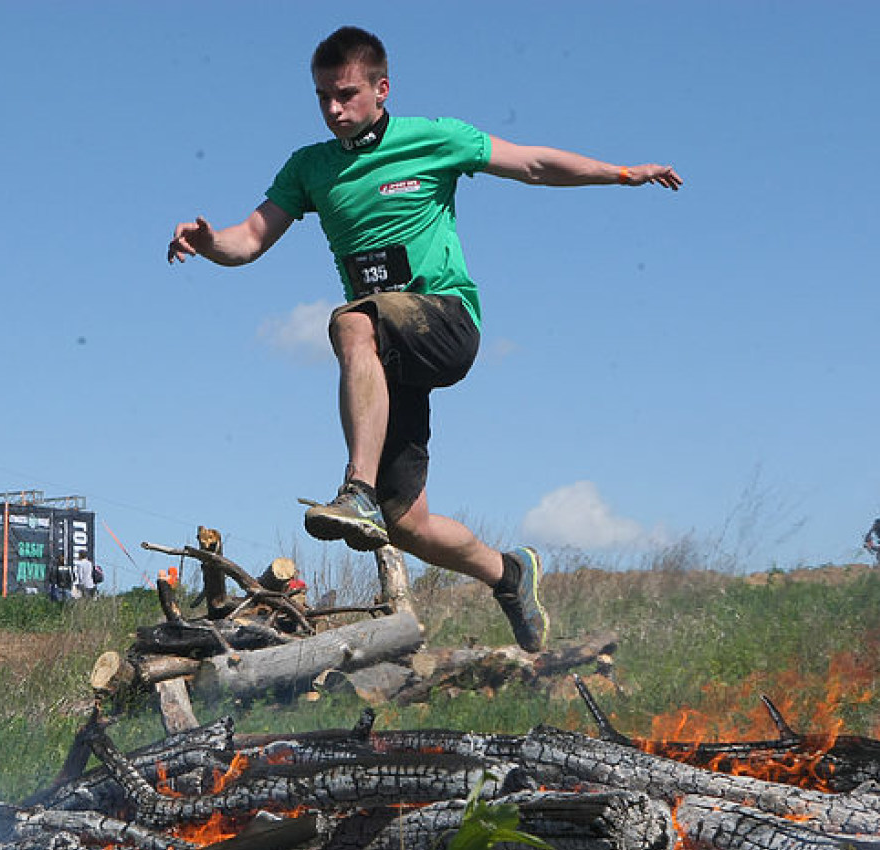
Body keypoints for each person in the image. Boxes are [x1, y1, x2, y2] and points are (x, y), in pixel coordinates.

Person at [168, 26, 682, 652]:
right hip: (388, 355)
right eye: (323, 97)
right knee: (407, 524)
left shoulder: (435, 138)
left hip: (444, 321)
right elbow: (247, 239)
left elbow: (535, 164)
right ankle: (510, 574)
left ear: (382, 89)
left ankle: (354, 488)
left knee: (351, 320)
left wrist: (623, 173)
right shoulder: (309, 167)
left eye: (347, 94)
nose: (334, 109)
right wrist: (207, 242)